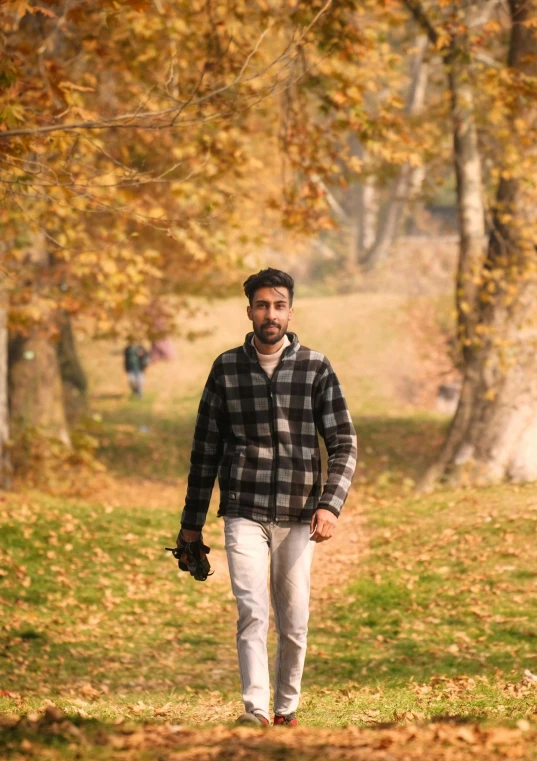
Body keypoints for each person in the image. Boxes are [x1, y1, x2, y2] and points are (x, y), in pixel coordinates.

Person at [176, 268, 357, 727]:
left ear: (290, 311)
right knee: (252, 611)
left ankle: (286, 710)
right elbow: (205, 451)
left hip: (299, 514)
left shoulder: (315, 367)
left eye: (278, 305)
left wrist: (329, 504)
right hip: (244, 509)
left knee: (294, 623)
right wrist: (191, 523)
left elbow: (344, 443)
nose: (269, 314)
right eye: (261, 305)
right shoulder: (226, 368)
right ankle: (255, 711)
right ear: (250, 311)